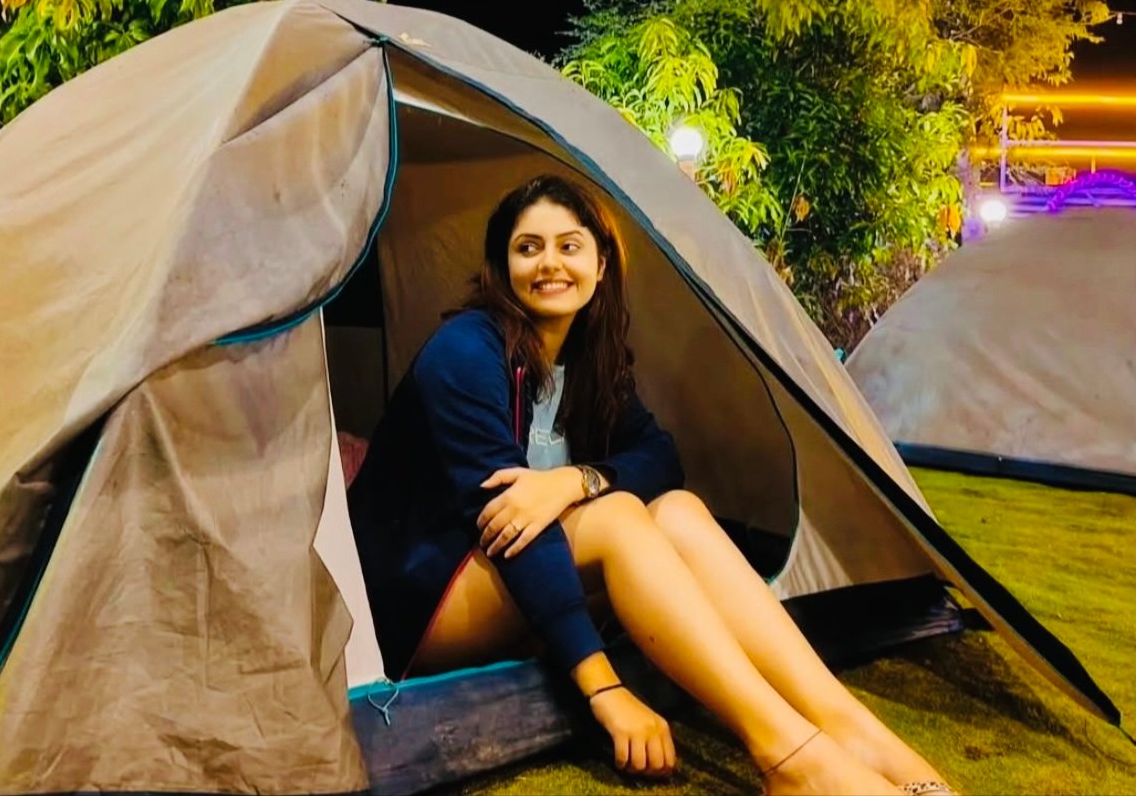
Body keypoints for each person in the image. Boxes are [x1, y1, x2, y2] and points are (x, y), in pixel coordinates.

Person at [348, 174, 956, 796]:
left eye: (569, 245)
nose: (549, 263)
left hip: (517, 582)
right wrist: (605, 689)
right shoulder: (465, 352)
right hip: (420, 606)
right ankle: (789, 758)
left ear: (600, 263)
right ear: (502, 269)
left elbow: (659, 456)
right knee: (617, 519)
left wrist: (574, 480)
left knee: (679, 511)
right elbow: (515, 534)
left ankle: (849, 727)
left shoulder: (588, 359)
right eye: (528, 248)